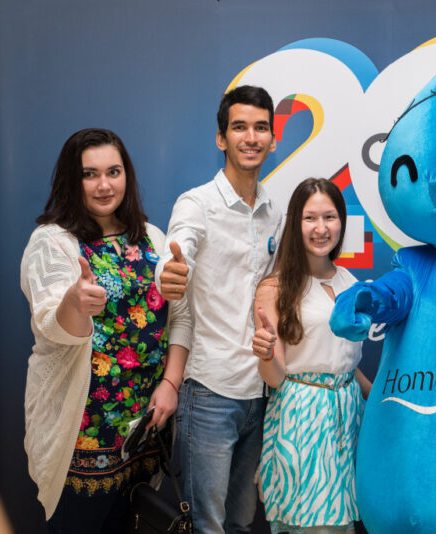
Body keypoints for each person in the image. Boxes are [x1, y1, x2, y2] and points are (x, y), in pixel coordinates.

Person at [20, 128, 191, 532]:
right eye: (89, 174)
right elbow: (50, 325)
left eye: (113, 172)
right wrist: (74, 303)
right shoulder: (53, 242)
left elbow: (182, 316)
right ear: (71, 179)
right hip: (82, 434)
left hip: (142, 430)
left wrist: (171, 383)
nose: (104, 185)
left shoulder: (151, 237)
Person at [155, 85, 283, 533]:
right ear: (220, 138)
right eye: (239, 127)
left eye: (261, 128)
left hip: (261, 393)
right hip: (209, 393)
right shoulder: (197, 203)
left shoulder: (275, 211)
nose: (251, 137)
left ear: (273, 138)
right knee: (206, 525)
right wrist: (170, 273)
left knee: (242, 522)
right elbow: (178, 252)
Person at [252, 178, 371, 534]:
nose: (321, 228)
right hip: (302, 418)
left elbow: (343, 361)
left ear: (341, 222)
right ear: (295, 224)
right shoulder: (275, 287)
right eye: (310, 218)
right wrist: (266, 352)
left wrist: (379, 396)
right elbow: (275, 377)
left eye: (329, 217)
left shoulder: (351, 282)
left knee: (344, 524)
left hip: (348, 416)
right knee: (312, 525)